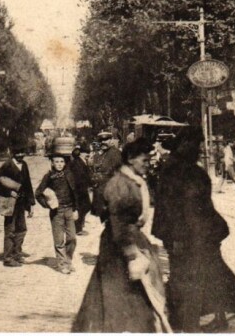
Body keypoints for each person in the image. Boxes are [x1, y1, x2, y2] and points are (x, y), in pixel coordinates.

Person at [73, 138, 170, 332]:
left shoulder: (133, 181)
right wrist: (132, 255)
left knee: (137, 299)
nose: (148, 164)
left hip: (131, 241)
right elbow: (119, 223)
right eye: (144, 160)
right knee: (118, 301)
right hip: (119, 248)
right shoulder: (119, 184)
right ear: (131, 159)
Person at [152, 131, 235, 332]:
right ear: (183, 147)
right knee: (194, 278)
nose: (200, 150)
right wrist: (179, 237)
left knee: (202, 276)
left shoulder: (183, 169)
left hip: (197, 235)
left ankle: (198, 321)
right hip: (188, 236)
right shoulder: (179, 170)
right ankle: (191, 323)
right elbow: (177, 208)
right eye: (196, 146)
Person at [36, 152, 80, 275]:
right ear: (52, 163)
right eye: (56, 162)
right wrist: (47, 205)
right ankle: (62, 264)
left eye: (61, 162)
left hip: (69, 209)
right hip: (57, 212)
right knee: (59, 240)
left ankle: (68, 260)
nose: (59, 164)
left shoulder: (69, 175)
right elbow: (38, 193)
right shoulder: (49, 177)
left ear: (65, 163)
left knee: (72, 238)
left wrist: (76, 209)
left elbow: (74, 193)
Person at [0, 142, 35, 267]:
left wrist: (31, 203)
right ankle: (8, 257)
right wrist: (9, 191)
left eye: (23, 153)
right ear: (13, 154)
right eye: (18, 153)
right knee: (10, 230)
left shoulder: (24, 165)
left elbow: (28, 185)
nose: (21, 155)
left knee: (21, 229)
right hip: (10, 203)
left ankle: (17, 253)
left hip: (21, 203)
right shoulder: (7, 166)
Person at [68, 146, 92, 235]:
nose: (88, 155)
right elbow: (79, 178)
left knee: (85, 207)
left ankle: (79, 225)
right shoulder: (77, 163)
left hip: (82, 189)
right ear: (81, 153)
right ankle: (78, 228)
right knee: (82, 208)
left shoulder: (81, 161)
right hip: (79, 190)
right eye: (86, 153)